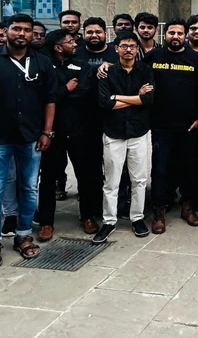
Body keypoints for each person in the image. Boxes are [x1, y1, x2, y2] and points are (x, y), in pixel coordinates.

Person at [0, 13, 57, 269]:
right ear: (6, 30)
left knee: (29, 188)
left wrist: (47, 132)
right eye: (16, 29)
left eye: (27, 30)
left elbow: (50, 100)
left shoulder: (42, 62)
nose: (22, 34)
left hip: (31, 137)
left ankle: (23, 235)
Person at [93, 31, 154, 243]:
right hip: (114, 133)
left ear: (137, 49)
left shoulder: (145, 70)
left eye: (132, 46)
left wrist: (117, 97)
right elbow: (105, 103)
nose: (128, 50)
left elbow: (148, 100)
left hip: (139, 132)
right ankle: (109, 221)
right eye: (124, 46)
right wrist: (136, 97)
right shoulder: (107, 72)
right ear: (116, 48)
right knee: (112, 180)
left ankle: (137, 218)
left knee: (139, 179)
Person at [145, 19, 198, 229]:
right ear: (165, 34)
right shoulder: (153, 57)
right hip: (161, 125)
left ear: (185, 35)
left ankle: (187, 207)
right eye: (172, 33)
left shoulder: (196, 59)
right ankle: (159, 212)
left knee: (189, 168)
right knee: (160, 169)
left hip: (189, 125)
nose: (175, 36)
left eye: (180, 33)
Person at [37, 28, 90, 242]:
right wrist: (65, 89)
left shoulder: (82, 65)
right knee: (48, 178)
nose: (75, 44)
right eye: (70, 42)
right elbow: (43, 97)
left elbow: (84, 93)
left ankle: (87, 216)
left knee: (85, 176)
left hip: (79, 130)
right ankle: (46, 222)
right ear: (58, 47)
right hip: (52, 132)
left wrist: (58, 94)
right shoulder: (44, 66)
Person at [71, 17, 111, 232]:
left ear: (105, 33)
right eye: (90, 32)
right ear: (83, 34)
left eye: (98, 32)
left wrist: (112, 66)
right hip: (83, 119)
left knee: (114, 167)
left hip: (112, 117)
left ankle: (114, 206)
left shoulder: (115, 53)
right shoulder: (75, 53)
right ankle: (89, 211)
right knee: (89, 168)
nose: (94, 35)